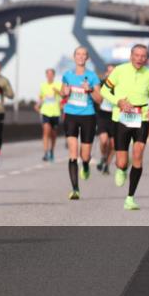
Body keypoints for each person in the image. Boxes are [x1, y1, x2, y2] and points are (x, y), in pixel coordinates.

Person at [101, 44, 149, 211]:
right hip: (122, 117)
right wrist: (118, 101)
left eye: (143, 56)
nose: (140, 59)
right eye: (137, 55)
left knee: (138, 153)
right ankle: (121, 168)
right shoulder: (119, 70)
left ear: (146, 58)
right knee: (122, 160)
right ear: (131, 56)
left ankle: (130, 197)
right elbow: (104, 90)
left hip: (142, 116)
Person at [60, 47, 101, 200]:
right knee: (73, 153)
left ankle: (85, 165)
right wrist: (64, 92)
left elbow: (100, 99)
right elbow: (62, 92)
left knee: (85, 155)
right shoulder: (67, 75)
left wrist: (90, 90)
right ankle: (75, 189)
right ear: (74, 57)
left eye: (84, 54)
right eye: (78, 54)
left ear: (87, 58)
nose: (81, 57)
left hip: (88, 116)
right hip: (70, 114)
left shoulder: (92, 76)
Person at [95, 64, 116, 175]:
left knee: (113, 144)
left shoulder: (120, 85)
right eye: (109, 72)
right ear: (106, 73)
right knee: (104, 140)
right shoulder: (101, 84)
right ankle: (103, 156)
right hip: (103, 115)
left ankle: (107, 165)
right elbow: (96, 98)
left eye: (113, 72)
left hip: (115, 116)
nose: (111, 74)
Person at [37, 69, 63, 161]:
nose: (50, 76)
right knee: (46, 131)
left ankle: (52, 150)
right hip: (45, 112)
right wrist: (38, 105)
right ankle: (45, 153)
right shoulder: (43, 86)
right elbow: (41, 97)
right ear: (46, 76)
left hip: (55, 112)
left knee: (53, 135)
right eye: (48, 75)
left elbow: (63, 95)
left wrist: (57, 91)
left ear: (54, 75)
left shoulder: (58, 85)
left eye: (51, 74)